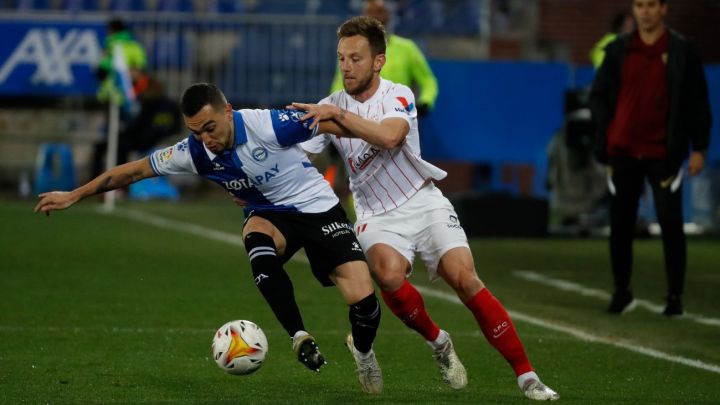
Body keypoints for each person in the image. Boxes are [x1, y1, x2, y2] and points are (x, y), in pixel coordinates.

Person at [35, 83, 384, 394]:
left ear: (228, 111)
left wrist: (368, 134)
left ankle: (362, 351)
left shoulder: (267, 124)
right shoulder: (194, 152)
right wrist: (73, 195)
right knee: (257, 241)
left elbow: (333, 125)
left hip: (318, 208)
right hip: (268, 215)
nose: (206, 138)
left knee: (365, 306)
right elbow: (134, 170)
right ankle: (298, 335)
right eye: (196, 131)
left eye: (210, 127)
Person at [293, 16, 559, 401]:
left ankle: (527, 376)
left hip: (422, 200)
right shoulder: (328, 106)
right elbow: (299, 155)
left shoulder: (398, 95)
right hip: (376, 214)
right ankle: (439, 342)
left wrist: (337, 119)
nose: (346, 66)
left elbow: (389, 136)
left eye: (355, 58)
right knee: (387, 274)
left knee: (465, 279)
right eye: (341, 58)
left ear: (378, 61)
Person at [590, 0, 712, 316]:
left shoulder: (682, 50)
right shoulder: (618, 49)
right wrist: (607, 135)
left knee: (671, 225)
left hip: (663, 152)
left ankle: (675, 296)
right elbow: (599, 96)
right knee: (620, 226)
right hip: (623, 152)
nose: (644, 11)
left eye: (651, 5)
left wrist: (699, 147)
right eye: (639, 5)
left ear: (663, 9)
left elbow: (698, 101)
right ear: (634, 10)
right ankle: (621, 292)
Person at [330, 0, 438, 116]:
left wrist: (425, 102)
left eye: (380, 12)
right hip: (361, 116)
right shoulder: (351, 49)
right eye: (370, 12)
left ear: (388, 16)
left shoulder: (407, 48)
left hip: (397, 115)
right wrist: (336, 107)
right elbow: (340, 82)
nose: (375, 17)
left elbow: (428, 81)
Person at [92, 76, 181, 178]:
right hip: (149, 138)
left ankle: (117, 180)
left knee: (117, 146)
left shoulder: (150, 103)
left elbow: (140, 125)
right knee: (112, 145)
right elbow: (174, 127)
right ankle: (115, 180)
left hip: (145, 140)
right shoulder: (170, 104)